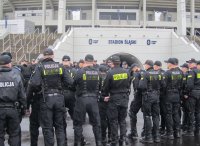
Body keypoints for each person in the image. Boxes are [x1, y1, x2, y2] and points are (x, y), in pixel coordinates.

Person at [29, 48, 74, 146]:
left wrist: (40, 90)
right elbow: (70, 82)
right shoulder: (60, 66)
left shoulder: (40, 67)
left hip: (46, 99)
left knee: (47, 128)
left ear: (43, 56)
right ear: (53, 55)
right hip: (59, 99)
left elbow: (34, 84)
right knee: (60, 127)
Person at [73, 54, 102, 146]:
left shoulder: (80, 72)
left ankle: (77, 143)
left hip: (82, 100)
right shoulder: (98, 73)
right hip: (93, 100)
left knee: (78, 124)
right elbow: (100, 87)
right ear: (93, 62)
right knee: (96, 124)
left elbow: (74, 84)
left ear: (85, 61)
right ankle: (99, 143)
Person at [102, 55, 131, 146]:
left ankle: (114, 141)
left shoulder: (110, 73)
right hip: (124, 98)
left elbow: (105, 87)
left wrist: (104, 96)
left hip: (114, 99)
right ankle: (123, 138)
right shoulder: (126, 72)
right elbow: (128, 85)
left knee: (113, 121)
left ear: (113, 63)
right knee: (122, 120)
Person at [0, 55, 26, 146]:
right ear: (9, 63)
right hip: (13, 109)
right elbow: (22, 95)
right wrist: (24, 109)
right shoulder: (16, 75)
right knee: (14, 134)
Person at [139, 60, 163, 143]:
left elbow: (141, 86)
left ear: (148, 65)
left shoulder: (145, 74)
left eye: (145, 64)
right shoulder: (159, 73)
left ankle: (148, 137)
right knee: (156, 116)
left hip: (148, 97)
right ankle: (157, 136)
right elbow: (163, 84)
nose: (144, 66)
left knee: (147, 116)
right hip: (156, 96)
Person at [162, 58, 183, 139]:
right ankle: (177, 132)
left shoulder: (167, 73)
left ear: (170, 64)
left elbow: (163, 85)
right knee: (176, 113)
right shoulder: (180, 72)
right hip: (177, 95)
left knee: (168, 114)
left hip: (169, 95)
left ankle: (170, 133)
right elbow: (182, 84)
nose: (167, 64)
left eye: (167, 63)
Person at [128, 63, 144, 139]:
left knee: (132, 112)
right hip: (147, 97)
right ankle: (146, 132)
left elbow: (137, 87)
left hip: (139, 97)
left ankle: (134, 133)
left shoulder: (136, 74)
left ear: (135, 68)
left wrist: (136, 96)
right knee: (147, 115)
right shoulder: (145, 72)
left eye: (132, 69)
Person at [186, 58, 200, 135]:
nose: (189, 64)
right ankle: (197, 130)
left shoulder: (191, 72)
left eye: (190, 63)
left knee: (191, 112)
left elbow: (189, 85)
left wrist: (187, 93)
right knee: (198, 112)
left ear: (194, 64)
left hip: (193, 94)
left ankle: (190, 130)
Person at [98, 65, 111, 146]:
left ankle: (103, 136)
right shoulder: (109, 76)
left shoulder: (97, 77)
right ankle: (110, 136)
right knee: (110, 118)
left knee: (102, 119)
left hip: (101, 100)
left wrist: (101, 98)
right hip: (109, 99)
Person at [153, 61, 166, 135]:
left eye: (154, 66)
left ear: (157, 66)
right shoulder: (163, 72)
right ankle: (161, 127)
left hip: (160, 95)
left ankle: (162, 127)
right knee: (161, 112)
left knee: (161, 112)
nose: (153, 67)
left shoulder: (159, 73)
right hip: (161, 95)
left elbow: (163, 85)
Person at [180, 63, 190, 135]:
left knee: (187, 111)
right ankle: (184, 125)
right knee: (185, 111)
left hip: (186, 96)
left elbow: (185, 85)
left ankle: (186, 126)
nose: (182, 69)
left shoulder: (186, 75)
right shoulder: (186, 74)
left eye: (183, 67)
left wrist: (185, 94)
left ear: (186, 68)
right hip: (186, 95)